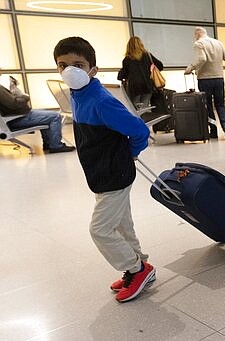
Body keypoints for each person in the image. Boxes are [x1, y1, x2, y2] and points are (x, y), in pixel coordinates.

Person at [53, 36, 155, 303]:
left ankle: (136, 269)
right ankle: (141, 266)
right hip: (101, 171)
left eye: (78, 64)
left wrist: (130, 154)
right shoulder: (77, 95)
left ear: (93, 69)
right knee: (121, 224)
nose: (69, 70)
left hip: (114, 174)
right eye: (62, 65)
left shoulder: (100, 101)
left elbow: (139, 130)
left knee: (100, 229)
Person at [184, 27, 225, 139]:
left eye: (195, 35)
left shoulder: (199, 43)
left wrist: (190, 68)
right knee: (220, 104)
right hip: (219, 78)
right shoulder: (218, 43)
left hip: (205, 79)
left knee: (208, 105)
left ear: (197, 34)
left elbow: (202, 59)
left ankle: (213, 131)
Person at [0, 74, 75, 153]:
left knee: (46, 114)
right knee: (55, 116)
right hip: (16, 119)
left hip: (11, 118)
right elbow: (14, 104)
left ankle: (49, 144)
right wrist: (25, 96)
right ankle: (56, 146)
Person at [117, 36, 164, 109]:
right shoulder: (148, 55)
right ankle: (144, 119)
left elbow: (122, 75)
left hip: (134, 88)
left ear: (129, 47)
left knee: (136, 109)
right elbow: (160, 66)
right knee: (145, 108)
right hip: (147, 86)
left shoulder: (127, 59)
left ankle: (138, 119)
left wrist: (120, 73)